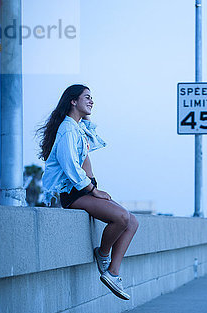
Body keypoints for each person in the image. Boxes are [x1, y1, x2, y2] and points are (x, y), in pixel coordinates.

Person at [38, 84, 138, 300]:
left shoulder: (77, 127)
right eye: (87, 97)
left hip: (84, 190)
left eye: (92, 98)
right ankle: (102, 254)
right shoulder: (66, 129)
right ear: (73, 101)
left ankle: (112, 273)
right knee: (121, 217)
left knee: (133, 222)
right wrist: (93, 190)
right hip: (75, 192)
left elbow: (94, 141)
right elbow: (69, 166)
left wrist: (87, 119)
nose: (92, 101)